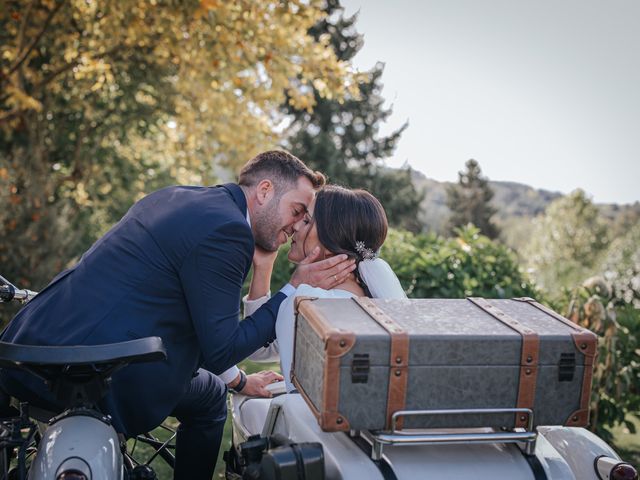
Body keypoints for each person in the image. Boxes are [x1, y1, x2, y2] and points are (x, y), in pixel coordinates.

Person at [0, 151, 356, 479]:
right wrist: (292, 288)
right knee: (211, 399)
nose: (297, 225)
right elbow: (221, 349)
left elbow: (190, 321)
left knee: (217, 385)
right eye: (297, 211)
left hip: (33, 350)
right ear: (265, 191)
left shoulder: (180, 197)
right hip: (105, 371)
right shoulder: (230, 232)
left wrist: (242, 382)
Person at [236, 185, 406, 418]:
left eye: (306, 221)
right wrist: (264, 267)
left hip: (312, 428)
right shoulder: (374, 300)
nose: (295, 225)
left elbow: (255, 348)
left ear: (329, 242)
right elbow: (263, 349)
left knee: (243, 403)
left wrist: (293, 286)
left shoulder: (306, 301)